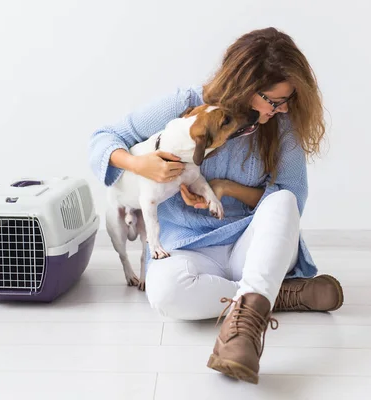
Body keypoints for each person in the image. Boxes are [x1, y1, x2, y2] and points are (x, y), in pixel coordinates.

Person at [88, 27, 344, 384]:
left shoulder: (280, 127)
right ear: (245, 85)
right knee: (165, 295)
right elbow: (104, 139)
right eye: (274, 100)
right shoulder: (185, 105)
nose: (282, 108)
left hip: (252, 246)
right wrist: (139, 164)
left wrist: (227, 188)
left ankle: (244, 329)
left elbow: (291, 197)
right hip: (187, 247)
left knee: (283, 200)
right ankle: (271, 293)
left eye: (287, 100)